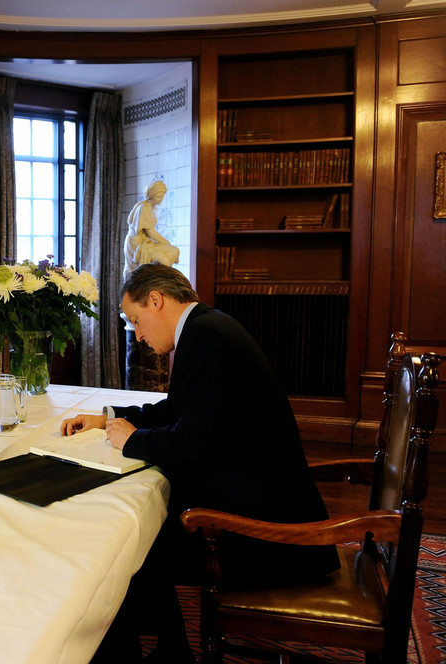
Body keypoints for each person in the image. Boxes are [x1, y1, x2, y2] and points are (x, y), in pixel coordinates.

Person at [62, 263, 339, 662]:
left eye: (135, 319)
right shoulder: (206, 328)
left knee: (120, 549)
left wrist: (133, 441)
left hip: (267, 537)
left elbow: (195, 443)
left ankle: (159, 653)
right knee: (136, 536)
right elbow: (179, 411)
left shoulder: (206, 337)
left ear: (155, 300)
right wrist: (108, 418)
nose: (137, 334)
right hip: (255, 501)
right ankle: (171, 650)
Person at [123, 181, 179, 279]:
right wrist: (166, 243)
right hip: (137, 243)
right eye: (158, 197)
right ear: (152, 195)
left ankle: (155, 280)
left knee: (174, 251)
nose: (161, 199)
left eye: (162, 197)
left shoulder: (153, 208)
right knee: (165, 261)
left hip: (146, 241)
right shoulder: (144, 207)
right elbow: (151, 233)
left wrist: (167, 244)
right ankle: (153, 281)